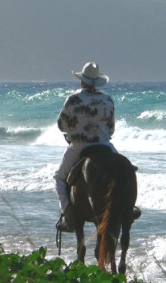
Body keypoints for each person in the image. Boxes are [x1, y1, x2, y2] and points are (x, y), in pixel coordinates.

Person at [54, 62, 117, 232]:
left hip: (79, 146)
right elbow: (111, 128)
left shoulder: (73, 99)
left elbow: (61, 124)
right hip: (104, 145)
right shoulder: (107, 99)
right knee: (126, 171)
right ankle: (129, 208)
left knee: (59, 178)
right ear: (97, 82)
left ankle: (69, 219)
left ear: (82, 81)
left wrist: (72, 133)